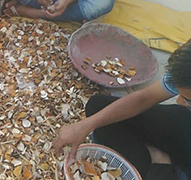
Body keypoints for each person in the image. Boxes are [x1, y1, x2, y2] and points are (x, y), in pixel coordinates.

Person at [54, 39, 191, 180]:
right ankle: (157, 159)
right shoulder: (187, 71)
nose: (179, 101)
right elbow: (144, 98)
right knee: (98, 107)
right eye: (179, 94)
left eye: (187, 99)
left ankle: (164, 165)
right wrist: (86, 125)